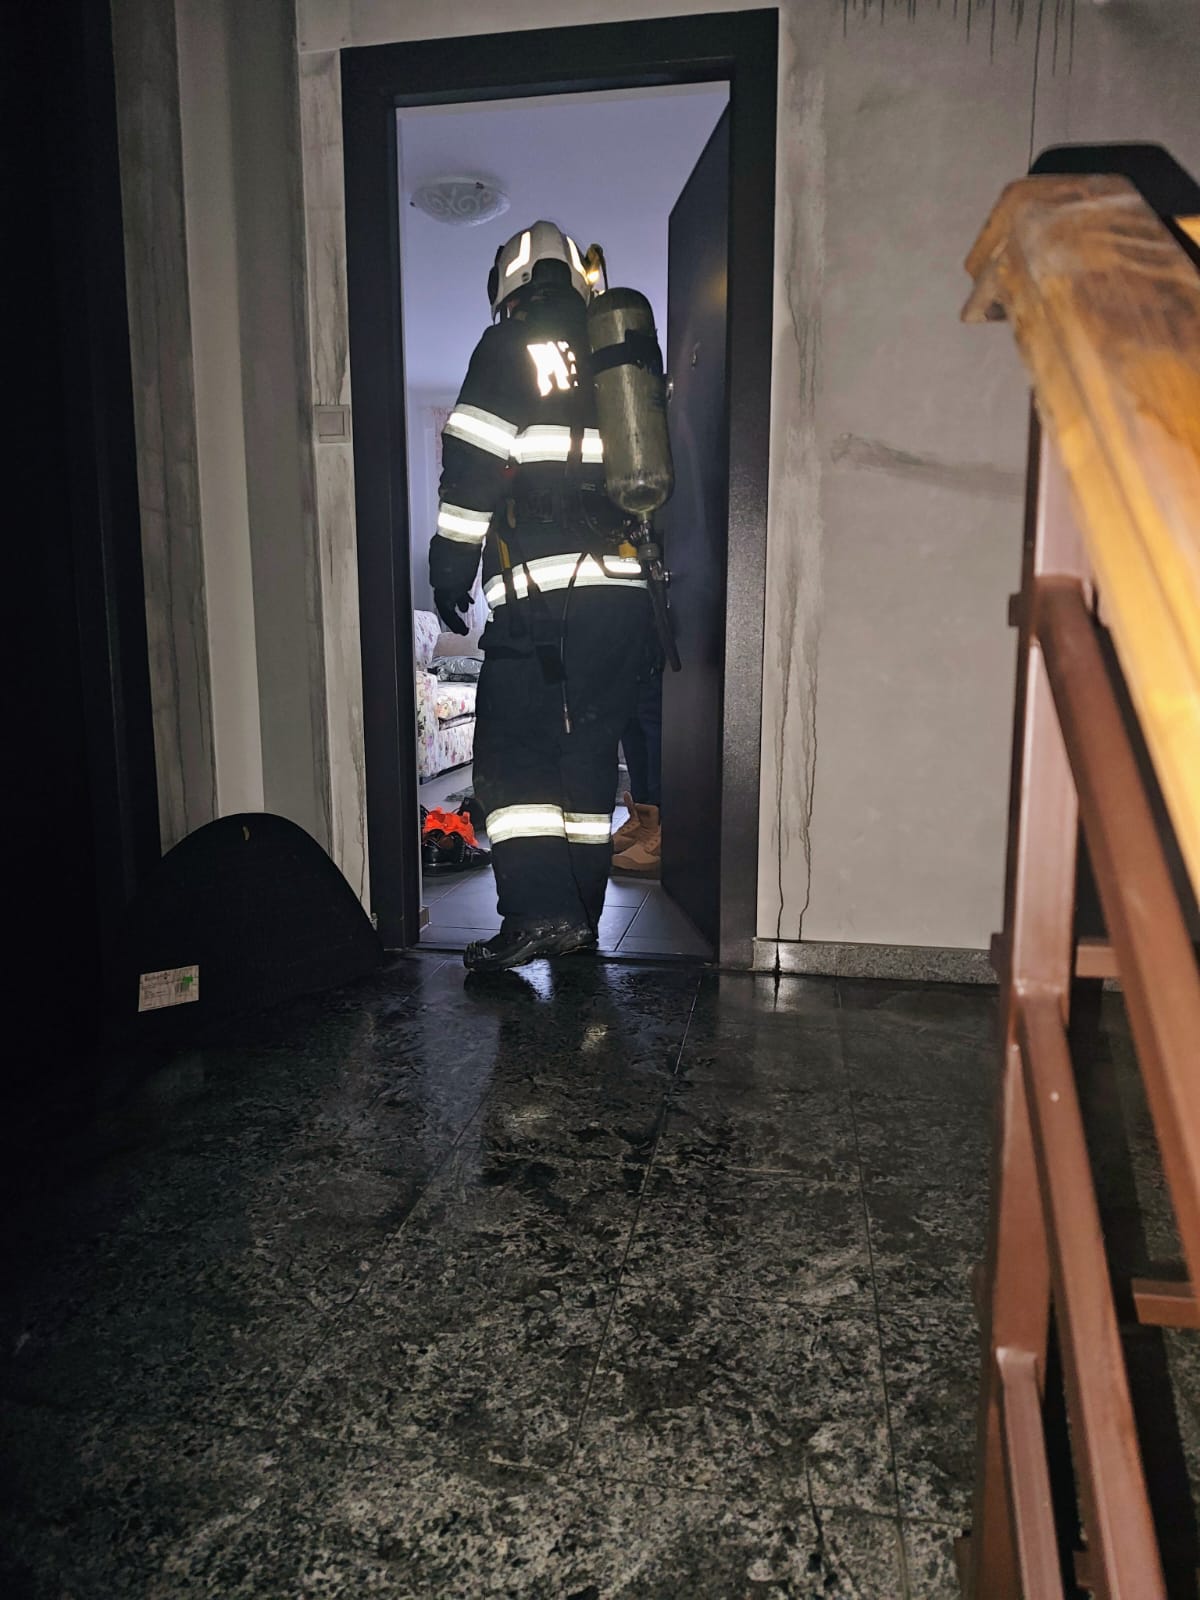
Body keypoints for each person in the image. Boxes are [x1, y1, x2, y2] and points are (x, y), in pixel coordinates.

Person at [429, 220, 654, 973]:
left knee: (511, 759)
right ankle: (578, 918)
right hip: (623, 601)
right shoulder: (613, 354)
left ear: (510, 284)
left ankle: (535, 916)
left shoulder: (508, 347)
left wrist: (449, 566)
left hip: (545, 599)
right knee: (587, 760)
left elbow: (471, 466)